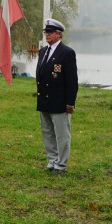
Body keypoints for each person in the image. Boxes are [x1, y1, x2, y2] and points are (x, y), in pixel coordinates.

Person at [35, 18, 79, 174]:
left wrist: (70, 103)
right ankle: (52, 160)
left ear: (59, 34)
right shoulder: (43, 51)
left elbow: (72, 81)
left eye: (50, 32)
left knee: (61, 135)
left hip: (59, 101)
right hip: (44, 100)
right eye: (46, 32)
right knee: (47, 132)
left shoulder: (66, 53)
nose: (47, 35)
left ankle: (61, 164)